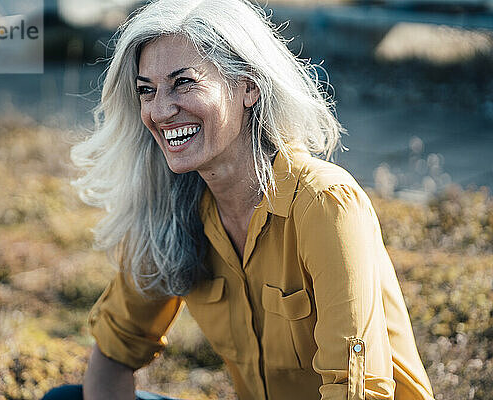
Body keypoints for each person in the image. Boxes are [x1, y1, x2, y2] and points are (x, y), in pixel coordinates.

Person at [45, 0, 436, 399]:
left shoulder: (325, 203)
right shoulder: (174, 211)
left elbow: (358, 392)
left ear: (248, 85)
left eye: (184, 82)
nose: (160, 110)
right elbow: (113, 352)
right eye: (146, 91)